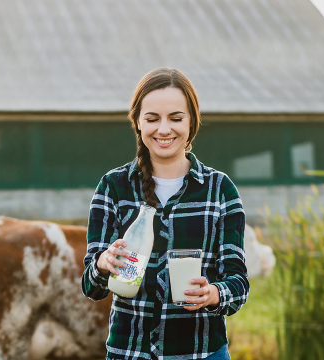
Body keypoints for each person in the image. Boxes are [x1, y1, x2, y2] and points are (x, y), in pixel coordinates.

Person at [81, 68, 249, 360]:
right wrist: (103, 264)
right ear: (137, 122)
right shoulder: (113, 187)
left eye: (175, 118)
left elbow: (238, 282)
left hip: (201, 353)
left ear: (192, 121)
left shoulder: (220, 190)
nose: (164, 129)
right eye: (152, 119)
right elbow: (91, 287)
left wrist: (213, 294)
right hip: (130, 352)